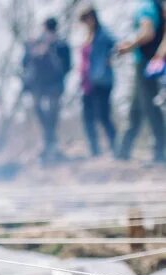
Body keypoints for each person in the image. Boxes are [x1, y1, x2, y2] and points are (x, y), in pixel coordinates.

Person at [116, 0, 165, 163]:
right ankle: (122, 151)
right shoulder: (155, 5)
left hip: (146, 62)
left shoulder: (147, 6)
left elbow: (148, 32)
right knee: (136, 108)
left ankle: (160, 152)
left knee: (150, 107)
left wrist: (129, 46)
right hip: (150, 61)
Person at [23, 17, 72, 163]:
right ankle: (48, 143)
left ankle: (50, 144)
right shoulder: (35, 43)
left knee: (52, 115)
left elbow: (67, 66)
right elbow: (25, 62)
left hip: (53, 86)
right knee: (44, 114)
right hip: (40, 86)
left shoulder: (60, 45)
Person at [78, 5, 118, 158]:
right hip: (88, 83)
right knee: (88, 117)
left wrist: (108, 60)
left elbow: (117, 46)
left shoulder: (103, 34)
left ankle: (116, 147)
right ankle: (94, 150)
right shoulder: (87, 36)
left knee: (103, 115)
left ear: (92, 18)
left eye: (86, 20)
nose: (85, 24)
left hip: (102, 81)